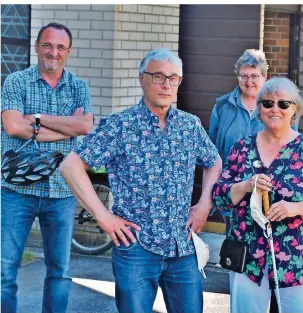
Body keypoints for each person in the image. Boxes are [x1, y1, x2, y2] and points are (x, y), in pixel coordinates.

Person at [60, 48, 222, 313]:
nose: (166, 84)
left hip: (182, 247)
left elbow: (213, 161)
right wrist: (103, 216)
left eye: (173, 78)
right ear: (141, 79)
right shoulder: (119, 126)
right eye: (158, 76)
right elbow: (71, 166)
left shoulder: (189, 125)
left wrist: (204, 204)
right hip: (136, 248)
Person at [212, 77, 303, 313]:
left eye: (284, 104)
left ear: (295, 109)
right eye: (268, 103)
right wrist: (245, 185)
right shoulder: (242, 148)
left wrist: (296, 208)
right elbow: (220, 195)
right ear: (259, 108)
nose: (275, 109)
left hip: (297, 261)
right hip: (248, 258)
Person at [1, 22, 93, 313]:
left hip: (62, 191)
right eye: (48, 45)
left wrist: (37, 118)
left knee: (60, 272)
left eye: (60, 47)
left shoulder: (79, 87)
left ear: (68, 51)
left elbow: (86, 125)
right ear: (37, 47)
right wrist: (67, 128)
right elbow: (13, 125)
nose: (53, 52)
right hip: (17, 189)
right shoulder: (16, 81)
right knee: (4, 271)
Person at [209, 49, 298, 235]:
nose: (249, 82)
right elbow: (212, 153)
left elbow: (292, 150)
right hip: (235, 192)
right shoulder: (222, 106)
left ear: (265, 76)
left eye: (255, 76)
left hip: (270, 193)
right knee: (237, 247)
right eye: (244, 76)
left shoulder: (280, 107)